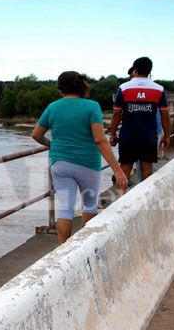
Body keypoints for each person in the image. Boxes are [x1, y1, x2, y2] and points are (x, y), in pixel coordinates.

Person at [32, 71, 127, 244]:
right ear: (82, 86)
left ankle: (61, 251)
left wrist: (51, 144)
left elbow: (36, 135)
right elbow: (100, 140)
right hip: (87, 164)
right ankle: (84, 247)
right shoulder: (92, 106)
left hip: (60, 164)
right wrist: (117, 169)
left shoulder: (53, 107)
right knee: (89, 205)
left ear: (60, 87)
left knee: (65, 209)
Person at [110, 57, 170, 181]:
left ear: (135, 70)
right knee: (146, 171)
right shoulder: (159, 89)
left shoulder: (124, 88)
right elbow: (165, 115)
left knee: (124, 170)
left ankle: (122, 198)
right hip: (149, 137)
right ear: (149, 70)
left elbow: (117, 114)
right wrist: (167, 136)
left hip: (127, 136)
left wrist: (112, 134)